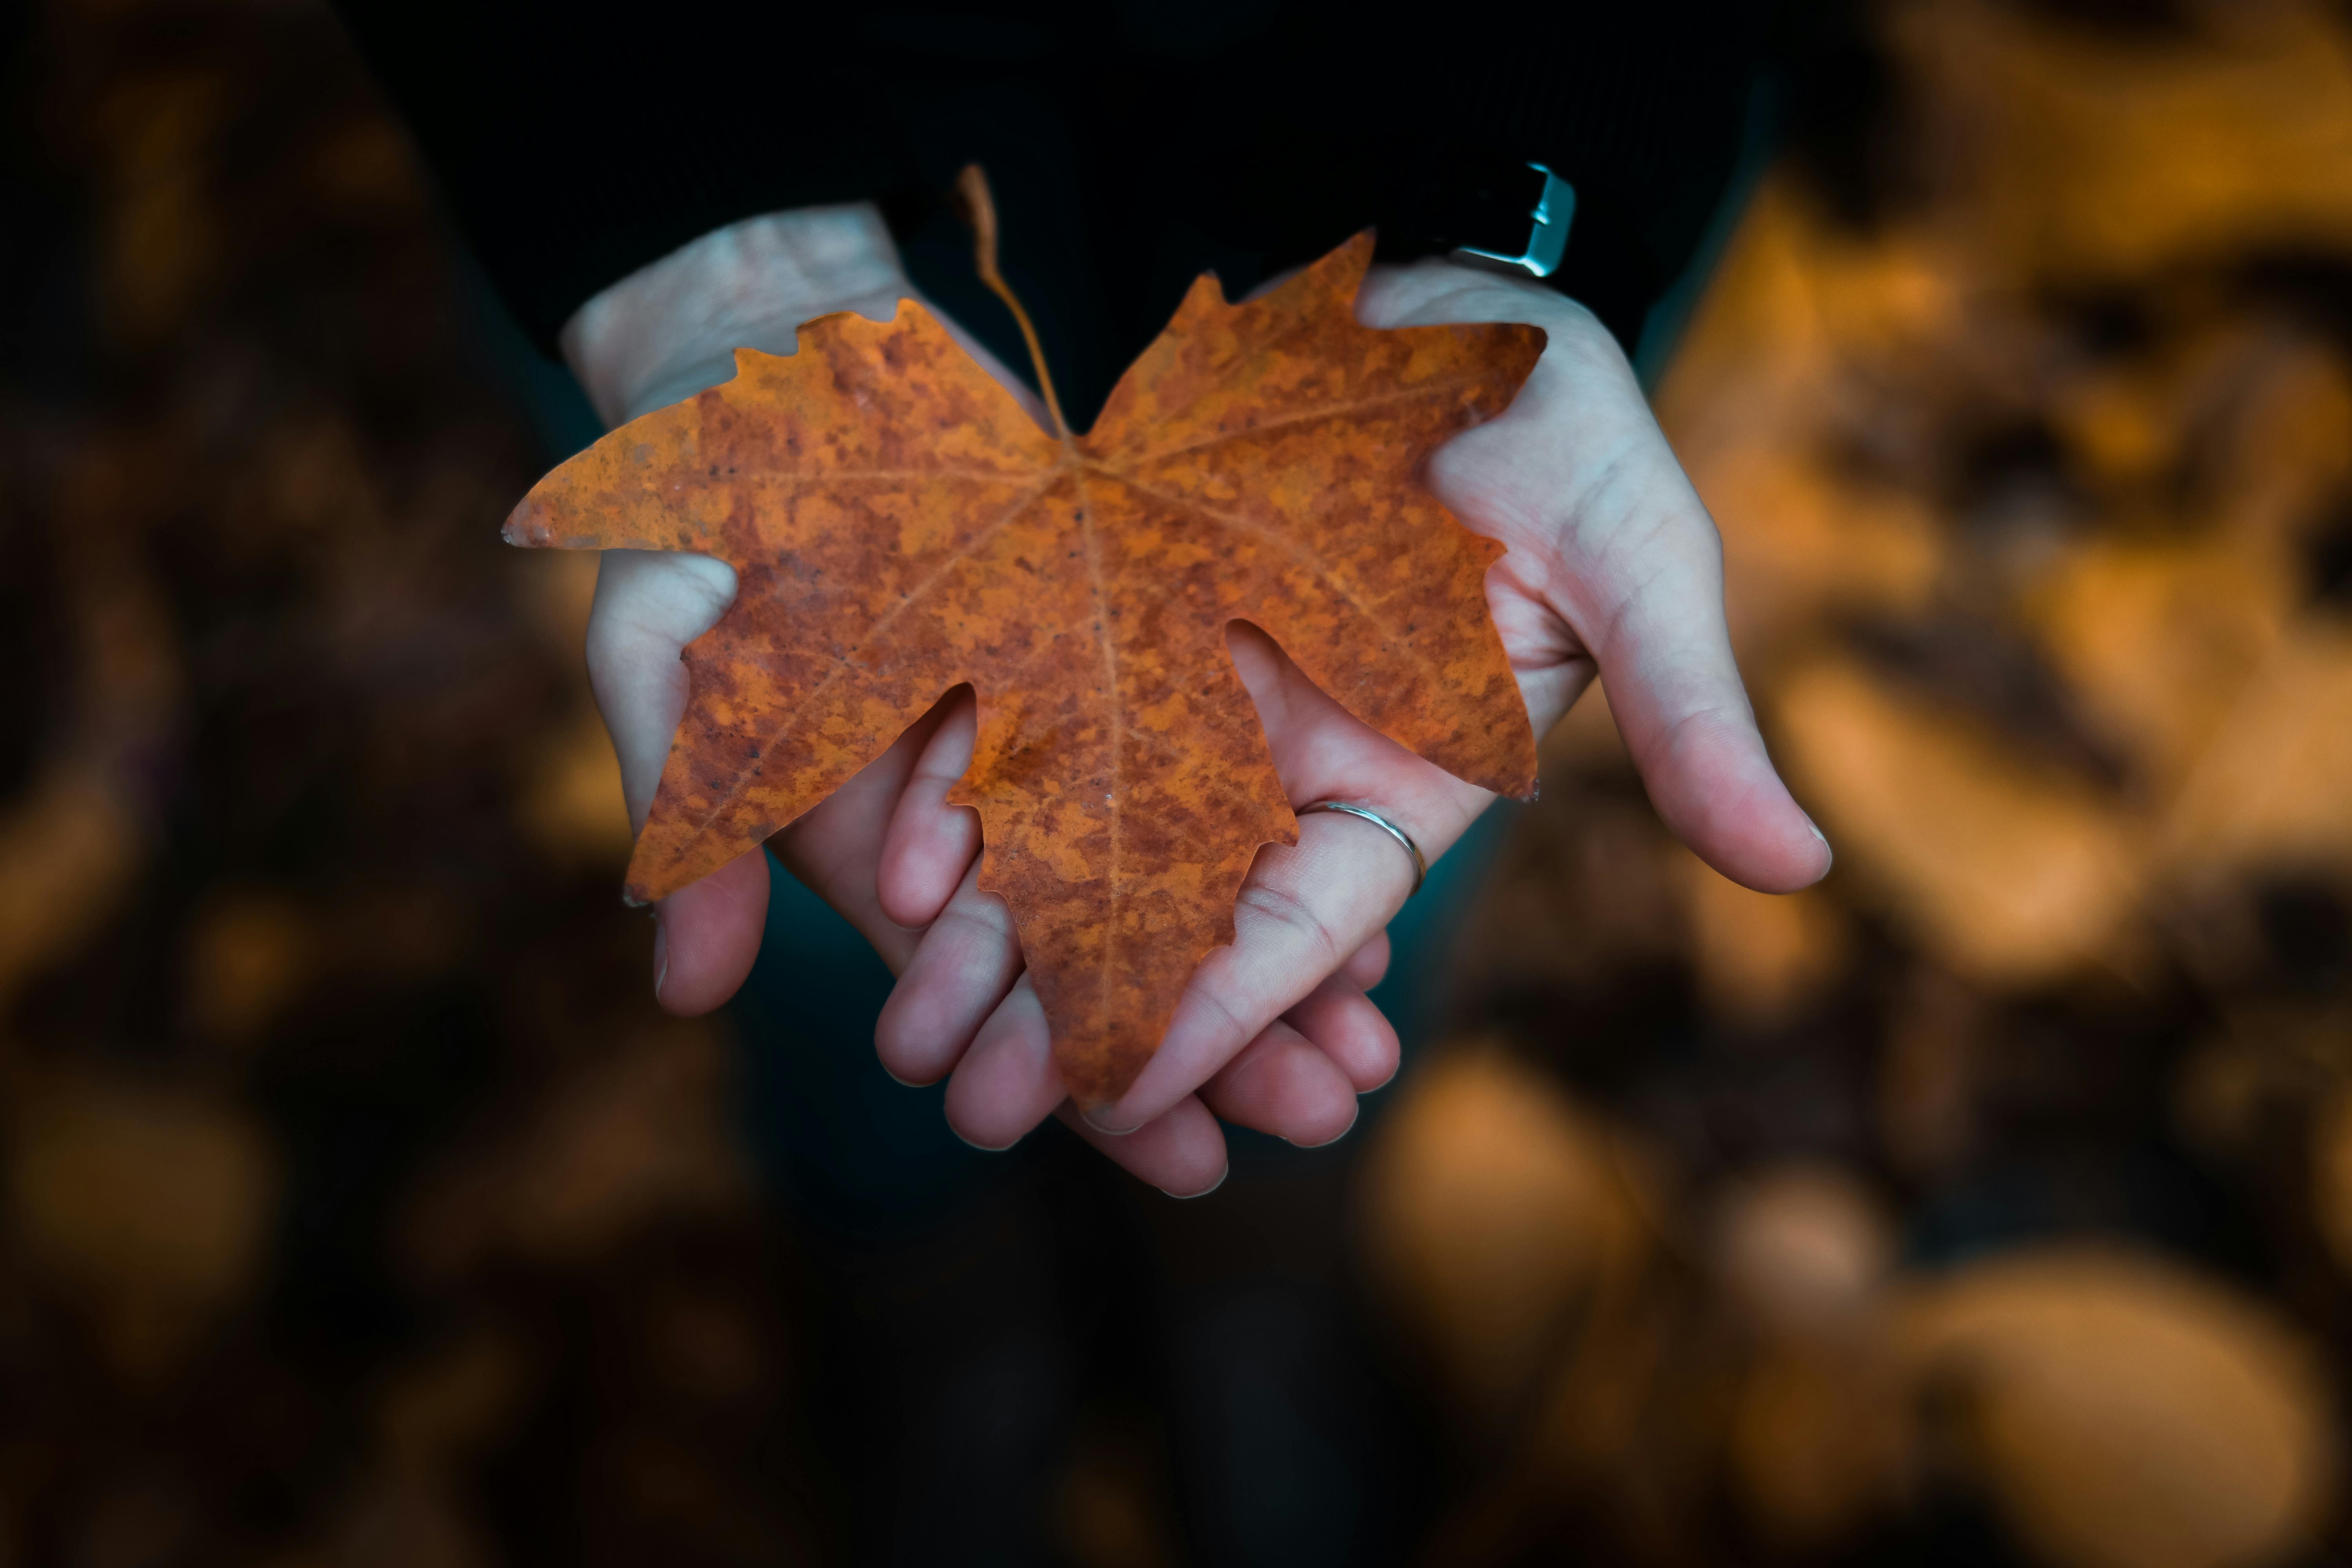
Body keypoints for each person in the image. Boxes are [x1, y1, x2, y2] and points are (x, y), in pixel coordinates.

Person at [336, 0, 1829, 1201]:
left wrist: (1536, 158)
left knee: (1368, 852)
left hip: (1439, 104)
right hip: (727, 70)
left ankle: (1256, 1238)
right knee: (835, 884)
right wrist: (683, 199)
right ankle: (905, 1237)